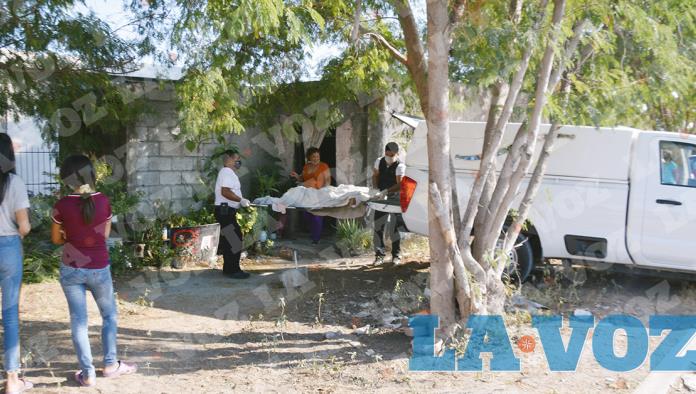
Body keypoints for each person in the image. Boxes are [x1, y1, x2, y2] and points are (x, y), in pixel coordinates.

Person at [51, 155, 137, 387]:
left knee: (79, 322)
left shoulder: (61, 205)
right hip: (99, 267)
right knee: (109, 316)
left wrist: (70, 235)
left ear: (67, 179)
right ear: (91, 175)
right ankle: (110, 365)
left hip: (71, 269)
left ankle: (87, 374)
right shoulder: (103, 201)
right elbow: (105, 235)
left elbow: (56, 238)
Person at [0, 134, 33, 394]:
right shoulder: (15, 183)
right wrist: (24, 228)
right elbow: (24, 226)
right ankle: (12, 380)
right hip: (8, 248)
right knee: (10, 315)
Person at [213, 150, 251, 279]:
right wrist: (240, 200)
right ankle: (233, 270)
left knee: (231, 239)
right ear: (229, 159)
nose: (239, 162)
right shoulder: (227, 172)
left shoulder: (228, 173)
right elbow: (225, 192)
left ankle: (230, 268)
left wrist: (239, 201)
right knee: (234, 239)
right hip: (225, 211)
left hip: (227, 210)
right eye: (237, 159)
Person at [372, 142, 407, 266]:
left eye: (392, 155)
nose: (389, 157)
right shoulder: (379, 161)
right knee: (378, 226)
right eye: (387, 154)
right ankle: (379, 256)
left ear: (396, 154)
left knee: (394, 227)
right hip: (381, 196)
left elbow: (400, 185)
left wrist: (387, 191)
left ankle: (396, 255)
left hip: (395, 197)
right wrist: (376, 189)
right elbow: (375, 175)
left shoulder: (400, 166)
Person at [290, 147, 330, 245]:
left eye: (317, 156)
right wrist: (296, 176)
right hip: (307, 194)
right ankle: (314, 233)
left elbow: (328, 181)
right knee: (306, 214)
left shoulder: (324, 166)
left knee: (317, 215)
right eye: (314, 156)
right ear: (309, 157)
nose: (316, 158)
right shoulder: (306, 167)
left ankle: (316, 239)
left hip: (319, 193)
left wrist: (324, 192)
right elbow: (301, 179)